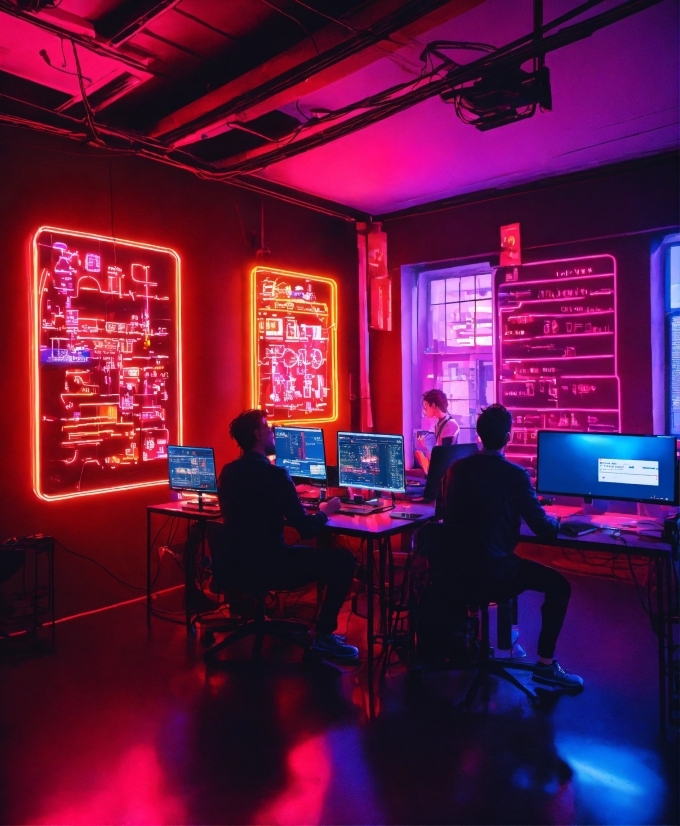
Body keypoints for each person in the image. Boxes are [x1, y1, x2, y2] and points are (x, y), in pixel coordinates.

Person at [442, 403, 583, 688]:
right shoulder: (515, 475)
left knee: (501, 565)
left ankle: (469, 638)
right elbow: (544, 531)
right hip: (495, 573)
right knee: (559, 587)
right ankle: (544, 665)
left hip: (455, 573)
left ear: (479, 435)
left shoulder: (456, 469)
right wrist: (555, 519)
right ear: (509, 436)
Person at [216, 409, 359, 660]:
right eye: (268, 427)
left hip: (237, 565)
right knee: (344, 560)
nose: (273, 432)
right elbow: (305, 529)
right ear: (258, 434)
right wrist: (325, 511)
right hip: (273, 565)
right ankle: (325, 636)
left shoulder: (229, 472)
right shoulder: (274, 475)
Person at [415, 389, 460, 475]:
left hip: (445, 472)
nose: (424, 410)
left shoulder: (450, 425)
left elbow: (442, 456)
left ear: (434, 406)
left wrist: (425, 447)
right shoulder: (438, 424)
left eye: (426, 405)